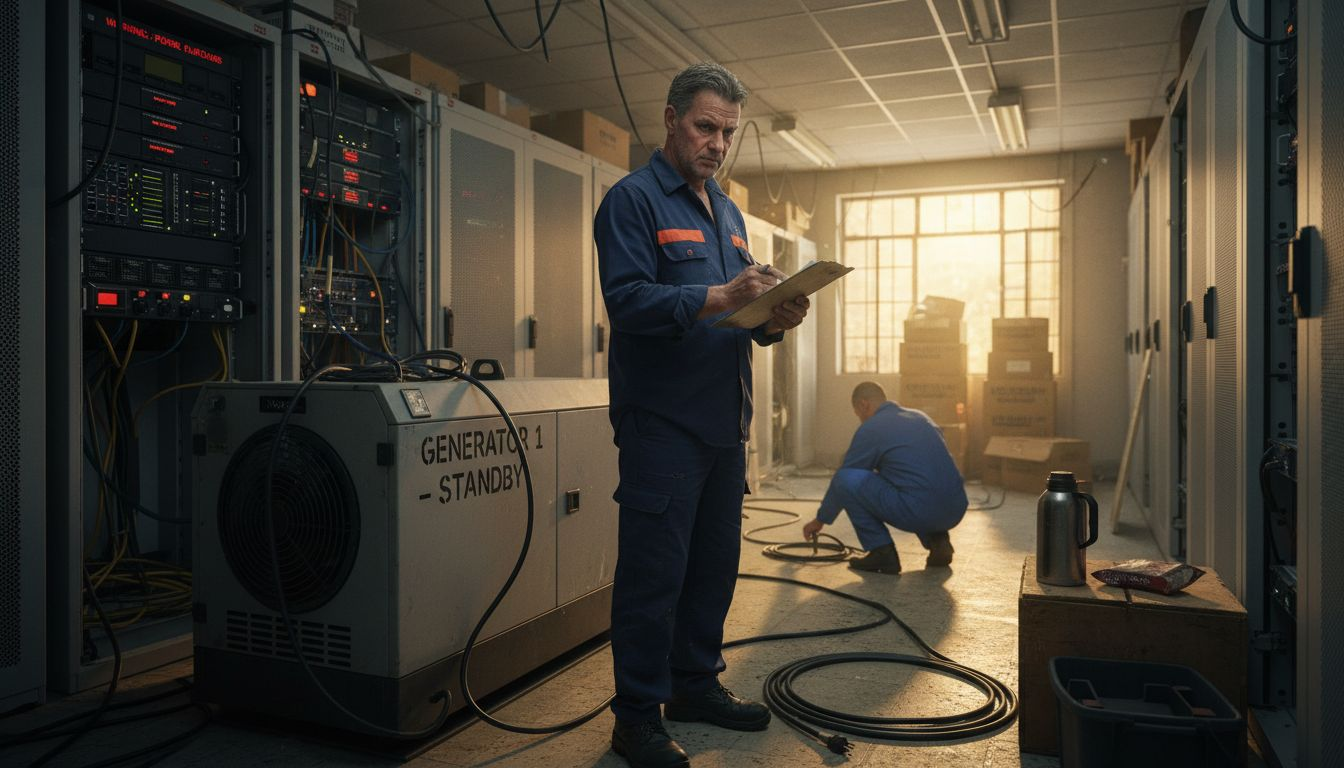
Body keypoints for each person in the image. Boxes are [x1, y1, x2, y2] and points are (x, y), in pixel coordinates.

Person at [593, 63, 810, 768]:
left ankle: (693, 686)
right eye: (705, 127)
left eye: (728, 133)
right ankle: (635, 718)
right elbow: (628, 302)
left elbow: (736, 313)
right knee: (654, 577)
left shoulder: (727, 212)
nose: (717, 144)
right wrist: (722, 296)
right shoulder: (632, 201)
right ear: (671, 120)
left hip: (723, 424)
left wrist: (773, 318)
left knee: (713, 569)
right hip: (662, 424)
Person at [802, 382, 966, 574]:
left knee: (845, 479)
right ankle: (938, 542)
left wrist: (820, 520)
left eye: (858, 414)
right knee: (914, 482)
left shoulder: (871, 428)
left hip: (919, 510)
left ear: (863, 405)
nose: (861, 420)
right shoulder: (921, 417)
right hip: (956, 508)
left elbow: (845, 478)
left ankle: (881, 551)